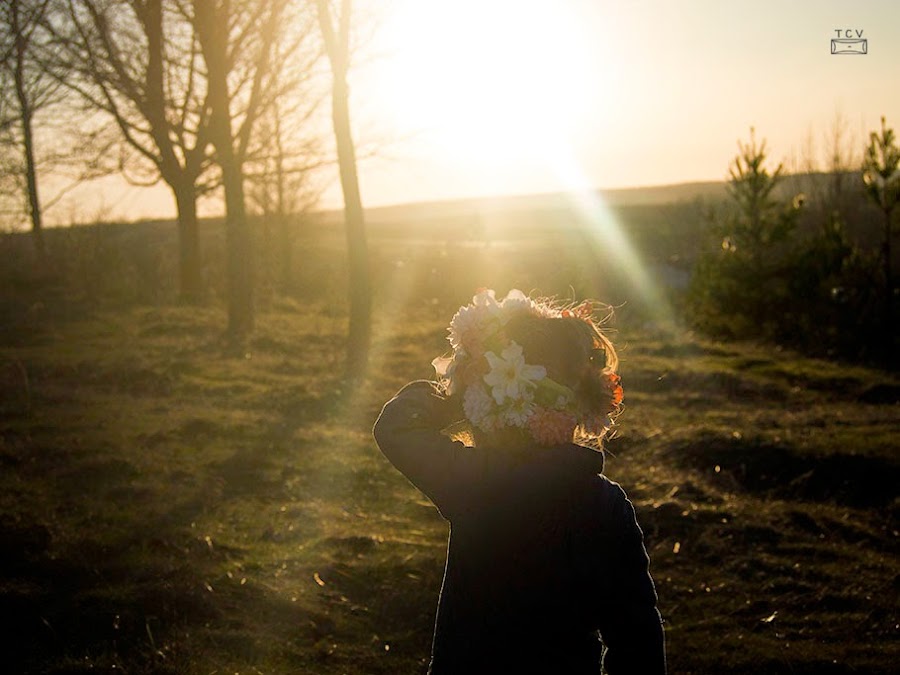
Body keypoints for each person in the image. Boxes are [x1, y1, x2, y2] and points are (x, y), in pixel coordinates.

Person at [373, 289, 666, 674]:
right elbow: (637, 637)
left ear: (490, 399)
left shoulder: (479, 481)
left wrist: (457, 392)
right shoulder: (606, 505)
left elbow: (396, 426)